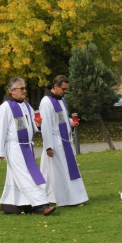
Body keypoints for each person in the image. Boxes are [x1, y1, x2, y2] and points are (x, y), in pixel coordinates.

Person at [0, 77, 55, 215]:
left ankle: (13, 206)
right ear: (12, 91)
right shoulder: (5, 107)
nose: (24, 91)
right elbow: (1, 129)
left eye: (25, 88)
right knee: (28, 176)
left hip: (27, 147)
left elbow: (32, 126)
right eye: (21, 88)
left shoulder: (27, 106)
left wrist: (37, 125)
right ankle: (41, 205)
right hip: (15, 148)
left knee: (18, 176)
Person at [39, 75, 88, 207]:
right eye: (63, 89)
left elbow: (62, 118)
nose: (65, 91)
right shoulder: (46, 102)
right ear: (55, 86)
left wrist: (71, 123)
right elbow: (46, 125)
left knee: (53, 172)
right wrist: (48, 146)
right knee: (61, 171)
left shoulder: (60, 100)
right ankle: (70, 199)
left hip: (64, 140)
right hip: (55, 142)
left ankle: (47, 197)